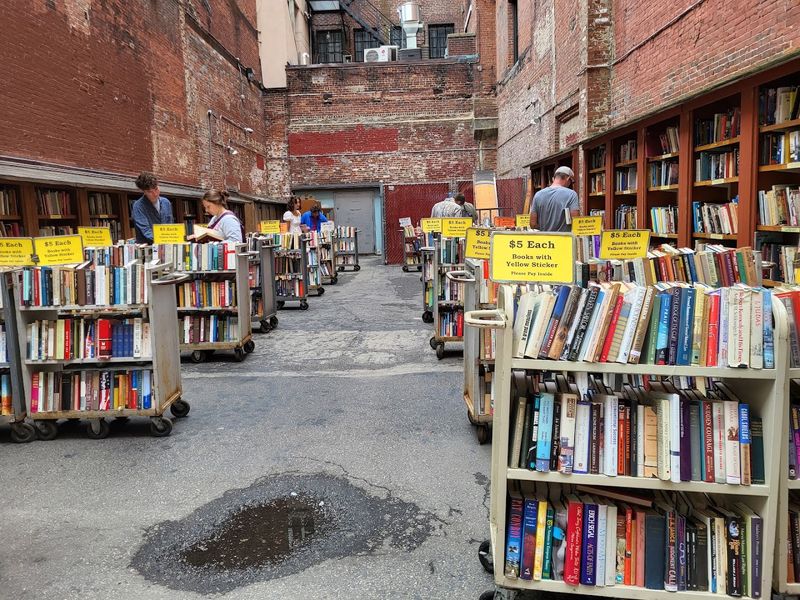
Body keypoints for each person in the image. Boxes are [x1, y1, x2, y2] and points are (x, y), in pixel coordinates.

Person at [530, 166, 579, 232]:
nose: (570, 184)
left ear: (554, 178)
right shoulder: (571, 194)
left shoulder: (538, 195)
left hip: (544, 240)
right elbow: (576, 222)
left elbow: (533, 224)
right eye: (571, 181)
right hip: (564, 240)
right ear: (568, 178)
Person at [132, 172, 174, 244]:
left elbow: (170, 225)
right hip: (148, 247)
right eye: (150, 192)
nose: (155, 193)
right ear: (144, 192)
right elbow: (146, 231)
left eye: (156, 189)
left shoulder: (166, 202)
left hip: (167, 245)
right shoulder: (138, 206)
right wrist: (164, 240)